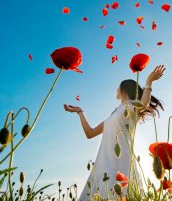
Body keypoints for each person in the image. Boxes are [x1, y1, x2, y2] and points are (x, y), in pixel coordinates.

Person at [64, 65, 165, 200]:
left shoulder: (131, 106)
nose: (116, 90)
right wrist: (80, 112)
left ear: (123, 89)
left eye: (118, 87)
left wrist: (148, 82)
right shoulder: (113, 114)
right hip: (103, 163)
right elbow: (90, 133)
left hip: (122, 162)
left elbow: (144, 104)